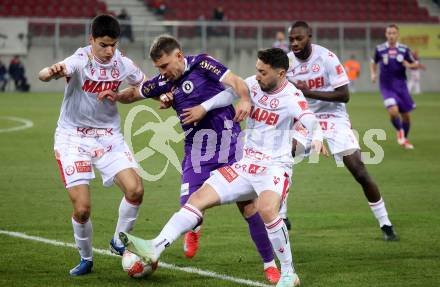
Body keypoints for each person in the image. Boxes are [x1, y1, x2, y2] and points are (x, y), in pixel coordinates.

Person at [119, 48, 324, 287]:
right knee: (197, 199)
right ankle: (155, 246)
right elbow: (227, 95)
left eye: (262, 72)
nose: (256, 76)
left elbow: (308, 118)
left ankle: (288, 273)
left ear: (280, 73)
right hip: (246, 165)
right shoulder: (253, 85)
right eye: (257, 70)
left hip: (275, 168)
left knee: (266, 210)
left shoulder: (292, 96)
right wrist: (204, 108)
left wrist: (317, 137)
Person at [98, 35, 281, 283]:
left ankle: (270, 265)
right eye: (158, 68)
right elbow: (136, 92)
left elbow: (236, 82)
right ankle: (193, 229)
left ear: (179, 56)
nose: (163, 72)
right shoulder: (165, 81)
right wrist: (117, 96)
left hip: (229, 146)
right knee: (190, 205)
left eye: (165, 66)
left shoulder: (203, 64)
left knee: (249, 207)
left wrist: (246, 100)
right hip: (197, 152)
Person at [37, 14, 145, 276]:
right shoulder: (79, 59)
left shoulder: (122, 63)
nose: (109, 51)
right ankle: (86, 258)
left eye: (113, 45)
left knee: (136, 190)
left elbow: (142, 86)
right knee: (83, 209)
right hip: (73, 138)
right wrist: (51, 72)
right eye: (103, 45)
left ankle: (119, 241)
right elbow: (45, 74)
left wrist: (120, 95)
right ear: (91, 40)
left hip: (108, 137)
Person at [287, 21, 398, 241]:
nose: (295, 43)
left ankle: (385, 223)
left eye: (299, 38)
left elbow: (344, 95)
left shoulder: (326, 58)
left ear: (310, 36)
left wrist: (308, 92)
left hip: (334, 118)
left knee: (359, 170)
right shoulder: (287, 62)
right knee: (284, 159)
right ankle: (281, 216)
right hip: (305, 119)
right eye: (291, 39)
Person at [370, 24, 422, 149]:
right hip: (386, 87)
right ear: (386, 34)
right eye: (389, 33)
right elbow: (373, 62)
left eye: (393, 33)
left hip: (401, 86)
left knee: (406, 116)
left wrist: (409, 66)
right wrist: (373, 74)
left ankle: (404, 139)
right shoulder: (380, 48)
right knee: (393, 111)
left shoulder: (404, 49)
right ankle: (400, 132)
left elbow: (415, 64)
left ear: (397, 34)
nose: (391, 35)